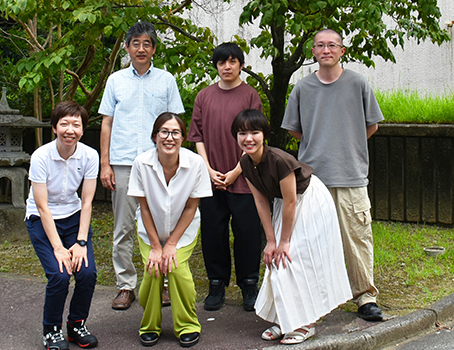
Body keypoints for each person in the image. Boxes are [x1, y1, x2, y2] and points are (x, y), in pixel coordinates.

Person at [282, 28, 385, 321]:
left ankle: (365, 297)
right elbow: (294, 129)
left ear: (341, 50)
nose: (326, 50)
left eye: (332, 45)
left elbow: (372, 125)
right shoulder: (303, 88)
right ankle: (318, 298)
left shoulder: (357, 83)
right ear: (312, 52)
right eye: (320, 46)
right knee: (313, 239)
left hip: (351, 175)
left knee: (357, 239)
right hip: (313, 179)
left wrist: (347, 145)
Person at [231, 109, 352, 344]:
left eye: (254, 132)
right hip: (285, 204)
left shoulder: (279, 159)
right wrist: (271, 241)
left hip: (309, 200)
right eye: (242, 133)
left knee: (294, 257)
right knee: (276, 258)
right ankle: (285, 319)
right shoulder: (245, 163)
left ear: (264, 135)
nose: (248, 138)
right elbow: (260, 201)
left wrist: (284, 241)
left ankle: (306, 324)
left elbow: (291, 200)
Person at [98, 21, 184, 311]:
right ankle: (125, 285)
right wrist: (105, 163)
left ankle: (160, 283)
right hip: (122, 162)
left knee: (159, 227)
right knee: (122, 227)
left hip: (157, 163)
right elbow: (107, 122)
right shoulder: (115, 81)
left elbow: (175, 122)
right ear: (127, 48)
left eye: (147, 43)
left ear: (154, 48)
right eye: (136, 43)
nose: (141, 48)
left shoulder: (166, 80)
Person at [187, 42, 262, 312]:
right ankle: (216, 284)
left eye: (232, 61)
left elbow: (254, 139)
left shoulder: (250, 95)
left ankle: (249, 284)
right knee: (213, 234)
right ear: (216, 66)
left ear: (241, 64)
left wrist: (235, 172)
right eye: (221, 62)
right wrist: (208, 170)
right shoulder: (203, 96)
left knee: (248, 234)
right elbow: (197, 137)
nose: (226, 67)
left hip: (244, 177)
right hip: (211, 180)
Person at [127, 113, 212, 347]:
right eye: (164, 131)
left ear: (183, 138)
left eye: (175, 133)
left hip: (183, 231)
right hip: (149, 230)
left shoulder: (195, 164)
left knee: (175, 269)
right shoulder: (141, 163)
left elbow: (191, 207)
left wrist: (171, 244)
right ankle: (149, 326)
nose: (169, 137)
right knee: (153, 270)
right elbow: (143, 207)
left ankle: (187, 325)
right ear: (155, 136)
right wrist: (156, 246)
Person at [25, 101, 99, 350]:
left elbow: (87, 201)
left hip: (74, 216)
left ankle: (76, 324)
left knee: (87, 273)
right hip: (41, 218)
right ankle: (51, 329)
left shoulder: (90, 155)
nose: (70, 129)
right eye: (64, 124)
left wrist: (80, 242)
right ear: (55, 128)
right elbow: (43, 206)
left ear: (83, 128)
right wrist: (58, 247)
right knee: (59, 274)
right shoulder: (41, 156)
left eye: (76, 124)